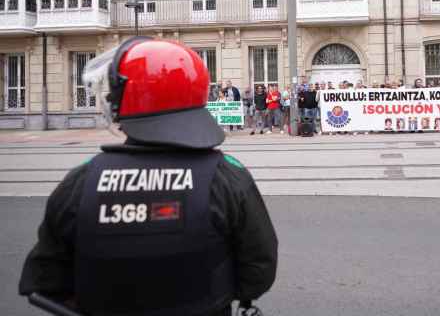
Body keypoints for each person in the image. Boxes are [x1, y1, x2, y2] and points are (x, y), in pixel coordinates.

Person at [18, 38, 277, 316]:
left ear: (124, 100)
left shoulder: (82, 181)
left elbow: (44, 278)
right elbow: (259, 270)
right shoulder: (228, 177)